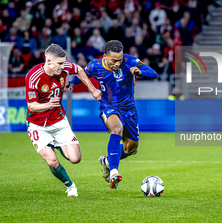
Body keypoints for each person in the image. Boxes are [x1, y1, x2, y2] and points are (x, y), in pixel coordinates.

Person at [67, 40, 157, 189]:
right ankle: (114, 171)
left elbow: (153, 74)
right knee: (116, 129)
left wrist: (140, 72)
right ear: (105, 56)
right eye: (114, 60)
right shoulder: (95, 65)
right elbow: (83, 74)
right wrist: (72, 83)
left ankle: (107, 161)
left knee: (131, 149)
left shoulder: (130, 61)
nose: (117, 63)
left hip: (129, 110)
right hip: (108, 106)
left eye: (119, 60)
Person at [25, 44, 101, 196]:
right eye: (59, 64)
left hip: (59, 120)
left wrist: (92, 89)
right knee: (52, 161)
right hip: (37, 125)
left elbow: (79, 70)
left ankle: (57, 145)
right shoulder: (34, 77)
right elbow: (31, 106)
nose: (62, 67)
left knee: (76, 158)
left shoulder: (64, 66)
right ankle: (71, 186)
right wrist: (47, 104)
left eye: (64, 62)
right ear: (48, 61)